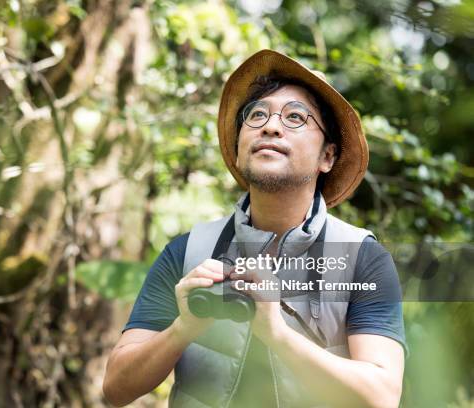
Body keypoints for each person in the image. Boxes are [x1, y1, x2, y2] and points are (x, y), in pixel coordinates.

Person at [103, 49, 407, 408]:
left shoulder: (362, 258)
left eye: (295, 117)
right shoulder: (188, 251)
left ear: (328, 156)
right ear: (238, 147)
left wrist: (277, 333)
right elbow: (115, 389)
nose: (271, 125)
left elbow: (382, 398)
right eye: (257, 114)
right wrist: (183, 329)